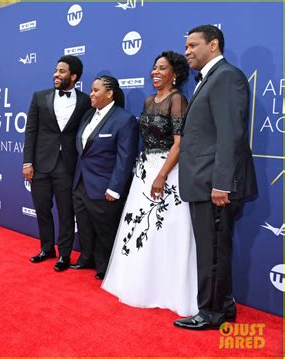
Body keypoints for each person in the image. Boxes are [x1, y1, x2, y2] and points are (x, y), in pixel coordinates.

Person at [174, 25, 258, 330]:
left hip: (214, 183)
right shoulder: (209, 79)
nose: (187, 52)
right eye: (186, 47)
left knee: (211, 252)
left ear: (214, 44)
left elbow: (230, 136)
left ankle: (210, 313)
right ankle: (223, 305)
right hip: (203, 181)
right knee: (214, 249)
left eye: (193, 45)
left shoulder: (226, 77)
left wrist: (222, 183)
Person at [102, 52, 198, 316]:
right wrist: (146, 170)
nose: (155, 72)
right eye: (154, 67)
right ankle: (137, 283)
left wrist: (162, 175)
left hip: (168, 172)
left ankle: (164, 288)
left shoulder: (177, 99)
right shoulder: (148, 100)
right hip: (144, 171)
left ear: (174, 73)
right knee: (138, 228)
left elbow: (180, 144)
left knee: (164, 230)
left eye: (162, 68)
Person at [23, 55, 91, 271]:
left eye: (62, 71)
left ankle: (64, 254)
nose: (56, 74)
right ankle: (46, 248)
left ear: (73, 76)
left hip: (67, 165)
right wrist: (27, 162)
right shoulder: (39, 97)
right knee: (42, 208)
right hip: (41, 163)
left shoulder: (84, 101)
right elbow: (30, 131)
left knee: (65, 212)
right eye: (56, 70)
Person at [71, 76, 138, 280]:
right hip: (81, 181)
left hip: (104, 185)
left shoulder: (124, 119)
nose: (91, 94)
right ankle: (86, 257)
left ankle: (105, 265)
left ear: (109, 93)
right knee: (84, 224)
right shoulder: (88, 115)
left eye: (95, 90)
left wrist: (115, 187)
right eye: (91, 90)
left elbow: (125, 157)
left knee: (105, 228)